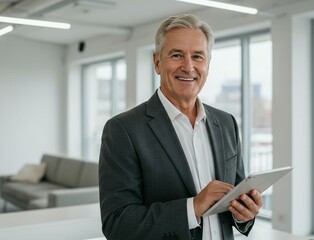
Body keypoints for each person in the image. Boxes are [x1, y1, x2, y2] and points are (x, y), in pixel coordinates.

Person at [98, 14, 262, 240]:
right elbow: (117, 224)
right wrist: (192, 207)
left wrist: (244, 214)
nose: (189, 67)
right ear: (157, 62)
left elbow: (234, 198)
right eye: (177, 55)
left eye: (198, 56)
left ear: (208, 64)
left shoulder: (226, 123)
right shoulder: (123, 129)